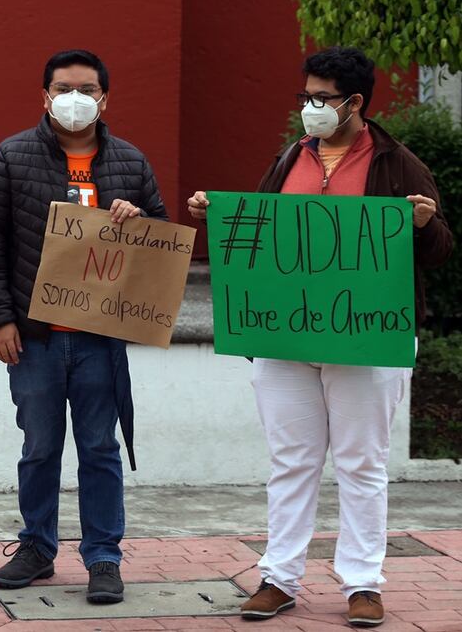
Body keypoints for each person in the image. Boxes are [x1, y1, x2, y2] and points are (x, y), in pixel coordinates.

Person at [187, 46, 453, 627]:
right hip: (287, 340)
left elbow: (439, 251)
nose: (311, 107)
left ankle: (363, 583)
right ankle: (278, 577)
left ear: (355, 102)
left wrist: (425, 224)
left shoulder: (395, 161)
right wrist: (219, 214)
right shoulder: (290, 159)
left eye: (322, 98)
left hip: (365, 339)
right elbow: (260, 232)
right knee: (291, 461)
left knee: (362, 463)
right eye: (306, 96)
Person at [0, 49, 167, 604]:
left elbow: (162, 241)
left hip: (100, 339)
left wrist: (141, 220)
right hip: (35, 339)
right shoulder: (8, 157)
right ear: (45, 96)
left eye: (85, 89)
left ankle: (104, 557)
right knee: (39, 446)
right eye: (62, 87)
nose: (73, 98)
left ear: (105, 99)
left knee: (100, 447)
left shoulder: (130, 161)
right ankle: (36, 547)